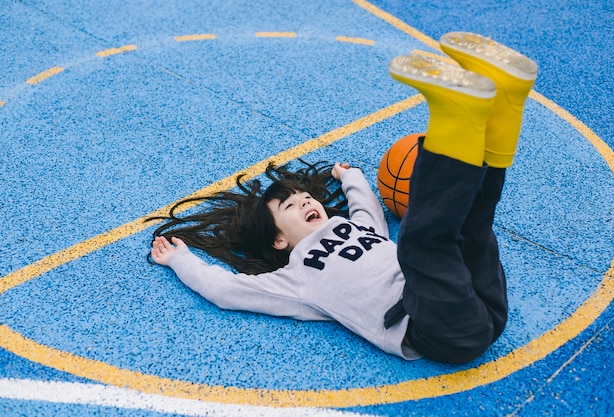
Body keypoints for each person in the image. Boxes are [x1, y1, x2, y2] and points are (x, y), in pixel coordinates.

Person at [150, 32, 537, 363]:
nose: (304, 202)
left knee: (474, 219)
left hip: (480, 300)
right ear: (279, 239)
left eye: (304, 197)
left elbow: (366, 207)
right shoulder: (295, 278)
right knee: (421, 242)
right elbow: (226, 290)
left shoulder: (355, 227)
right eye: (290, 206)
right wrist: (181, 260)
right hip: (438, 329)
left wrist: (352, 178)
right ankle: (454, 115)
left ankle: (506, 98)